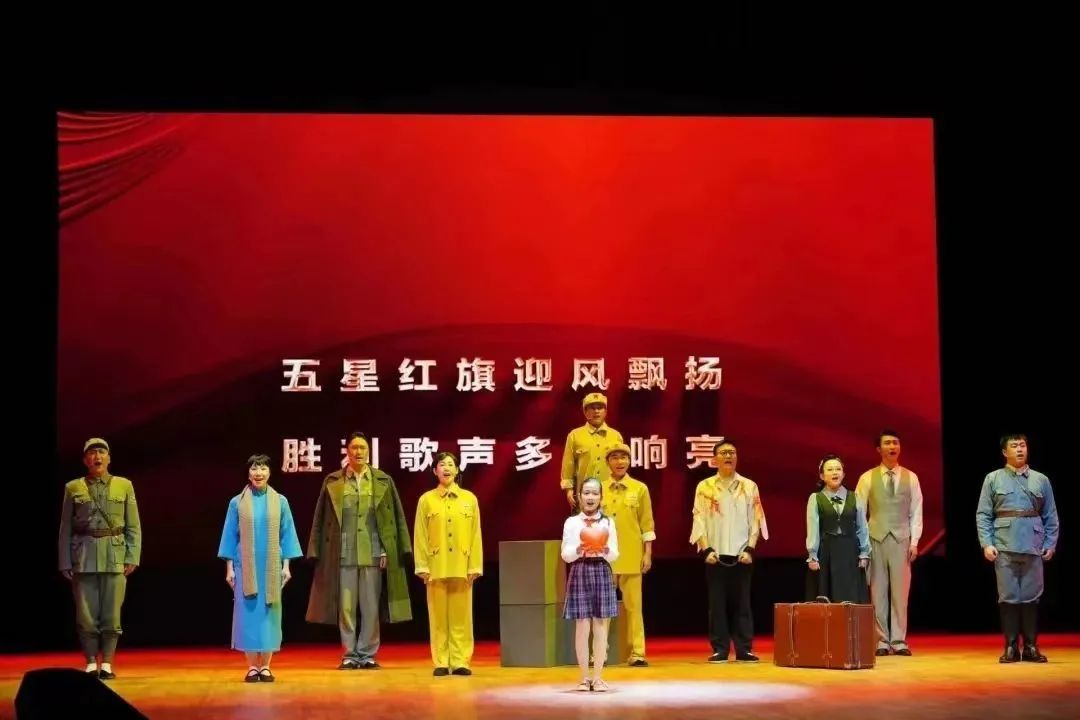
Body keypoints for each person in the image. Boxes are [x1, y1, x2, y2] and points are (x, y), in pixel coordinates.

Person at [306, 432, 413, 669]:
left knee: (370, 606)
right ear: (347, 451)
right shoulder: (333, 481)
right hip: (342, 552)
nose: (358, 452)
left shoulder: (382, 480)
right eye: (354, 447)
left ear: (369, 452)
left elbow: (396, 517)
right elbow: (320, 518)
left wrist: (390, 549)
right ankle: (349, 654)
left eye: (363, 448)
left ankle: (367, 653)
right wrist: (315, 549)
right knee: (346, 607)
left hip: (373, 552)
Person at [58, 438, 141, 680]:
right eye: (92, 453)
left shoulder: (124, 485)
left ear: (109, 458)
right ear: (85, 460)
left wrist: (132, 556)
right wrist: (65, 561)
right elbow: (65, 527)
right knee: (85, 616)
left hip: (115, 556)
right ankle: (90, 661)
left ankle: (107, 663)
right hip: (83, 557)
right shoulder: (73, 487)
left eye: (102, 452)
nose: (97, 456)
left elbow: (133, 525)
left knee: (112, 615)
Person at [218, 454, 303, 682]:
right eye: (254, 468)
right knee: (247, 615)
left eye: (263, 468)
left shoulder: (280, 501)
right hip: (244, 566)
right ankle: (251, 667)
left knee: (269, 615)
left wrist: (287, 566)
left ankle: (265, 666)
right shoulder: (236, 502)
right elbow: (230, 536)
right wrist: (229, 569)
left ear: (270, 472)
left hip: (271, 567)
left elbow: (287, 535)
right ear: (248, 473)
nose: (259, 473)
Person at [976, 433, 1059, 663]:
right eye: (1014, 446)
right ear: (1005, 452)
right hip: (1004, 545)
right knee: (1008, 597)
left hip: (1033, 545)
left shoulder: (1041, 480)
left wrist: (1050, 543)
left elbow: (1051, 515)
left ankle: (1031, 647)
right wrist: (986, 543)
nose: (1020, 449)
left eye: (1023, 445)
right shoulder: (993, 479)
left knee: (1032, 597)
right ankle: (1011, 647)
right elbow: (983, 514)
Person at [689, 439, 767, 663]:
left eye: (732, 452)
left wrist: (750, 549)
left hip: (742, 555)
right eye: (723, 452)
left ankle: (744, 649)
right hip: (715, 554)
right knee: (717, 605)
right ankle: (720, 649)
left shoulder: (749, 486)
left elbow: (756, 519)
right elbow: (698, 519)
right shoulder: (704, 487)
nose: (728, 456)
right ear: (714, 459)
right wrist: (706, 550)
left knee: (742, 603)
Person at [414, 452, 483, 676]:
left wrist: (475, 565)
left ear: (457, 469)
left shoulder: (469, 499)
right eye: (441, 465)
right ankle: (441, 661)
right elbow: (420, 534)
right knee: (438, 617)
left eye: (451, 464)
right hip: (436, 565)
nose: (446, 468)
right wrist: (422, 565)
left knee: (462, 617)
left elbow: (475, 534)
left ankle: (461, 660)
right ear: (435, 471)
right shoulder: (426, 500)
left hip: (462, 565)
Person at [855, 429, 923, 656]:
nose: (892, 446)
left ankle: (899, 640)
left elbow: (916, 511)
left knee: (900, 594)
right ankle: (882, 641)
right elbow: (859, 513)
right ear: (879, 449)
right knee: (878, 592)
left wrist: (914, 541)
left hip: (902, 540)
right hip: (875, 539)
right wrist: (863, 545)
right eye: (887, 443)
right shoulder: (867, 478)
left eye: (895, 442)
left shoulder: (911, 478)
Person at [600, 443, 656, 666]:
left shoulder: (639, 488)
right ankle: (600, 652)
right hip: (604, 556)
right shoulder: (598, 488)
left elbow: (647, 523)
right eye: (615, 457)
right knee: (603, 607)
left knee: (634, 607)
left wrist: (647, 553)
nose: (620, 461)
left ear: (630, 461)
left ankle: (638, 652)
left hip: (632, 554)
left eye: (623, 457)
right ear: (608, 462)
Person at [562, 477, 620, 692]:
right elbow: (565, 554)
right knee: (582, 626)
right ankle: (584, 678)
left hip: (602, 571)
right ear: (579, 496)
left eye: (595, 493)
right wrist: (580, 549)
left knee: (600, 625)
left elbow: (615, 554)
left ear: (601, 497)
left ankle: (598, 677)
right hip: (580, 570)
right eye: (586, 492)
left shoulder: (608, 522)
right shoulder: (571, 523)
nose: (590, 497)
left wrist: (604, 549)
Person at [805, 454, 870, 603]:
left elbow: (862, 526)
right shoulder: (816, 498)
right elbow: (813, 528)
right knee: (829, 597)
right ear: (822, 476)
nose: (835, 472)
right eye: (830, 469)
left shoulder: (855, 497)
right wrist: (813, 555)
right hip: (827, 552)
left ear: (843, 474)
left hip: (850, 552)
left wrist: (864, 553)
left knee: (851, 595)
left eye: (838, 469)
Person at [560, 392, 624, 510]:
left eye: (600, 407)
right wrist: (569, 490)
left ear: (605, 411)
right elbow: (568, 464)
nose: (596, 411)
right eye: (592, 408)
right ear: (585, 412)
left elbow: (621, 467)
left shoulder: (616, 436)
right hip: (584, 496)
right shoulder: (575, 435)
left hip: (610, 495)